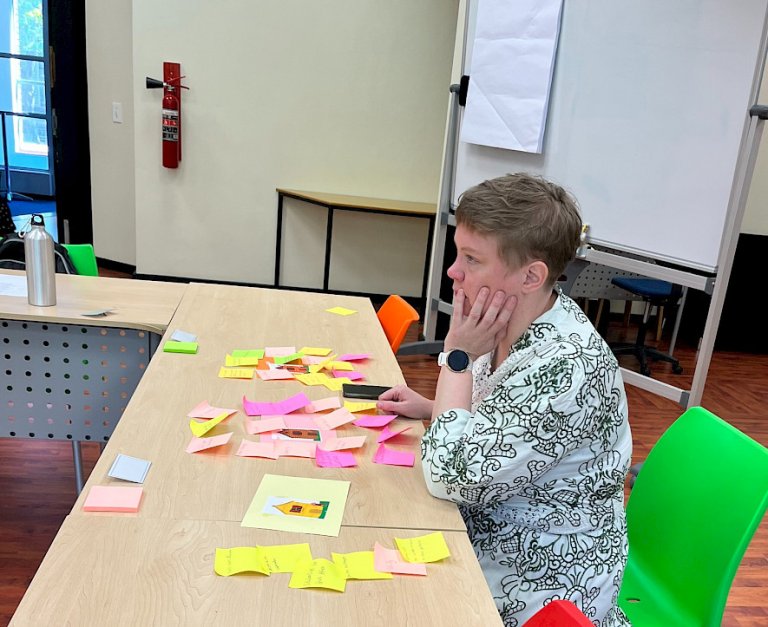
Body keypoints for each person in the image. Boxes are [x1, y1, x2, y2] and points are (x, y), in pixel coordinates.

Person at [377, 173, 632, 627]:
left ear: (531, 276)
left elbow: (451, 478)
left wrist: (455, 359)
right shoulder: (505, 321)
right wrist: (434, 408)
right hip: (493, 527)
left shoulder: (565, 363)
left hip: (541, 579)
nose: (454, 272)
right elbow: (500, 428)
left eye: (472, 259)